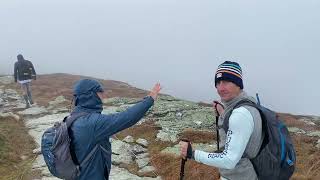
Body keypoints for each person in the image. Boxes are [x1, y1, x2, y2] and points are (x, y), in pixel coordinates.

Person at [180, 61, 264, 180]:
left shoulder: (240, 114)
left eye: (226, 82)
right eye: (218, 82)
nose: (220, 88)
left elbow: (229, 160)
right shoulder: (247, 105)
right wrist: (223, 114)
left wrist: (192, 153)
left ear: (238, 84)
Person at [69, 79, 161, 180]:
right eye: (100, 91)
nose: (103, 94)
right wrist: (150, 99)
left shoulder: (72, 118)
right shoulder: (93, 123)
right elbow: (126, 117)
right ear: (90, 95)